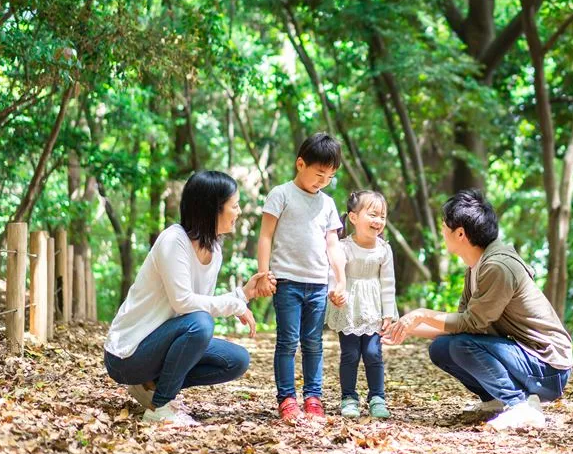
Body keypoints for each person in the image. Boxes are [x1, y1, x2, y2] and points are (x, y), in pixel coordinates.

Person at [384, 189, 573, 431]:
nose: (442, 231)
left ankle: (520, 406)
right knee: (442, 349)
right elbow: (459, 326)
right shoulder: (476, 267)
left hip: (548, 368)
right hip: (526, 359)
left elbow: (470, 324)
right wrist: (403, 329)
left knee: (461, 345)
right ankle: (496, 401)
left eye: (445, 226)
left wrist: (423, 314)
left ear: (460, 233)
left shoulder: (498, 266)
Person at [104, 171, 275, 427]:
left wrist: (244, 294)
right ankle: (160, 406)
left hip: (160, 343)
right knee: (201, 324)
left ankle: (152, 386)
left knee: (237, 360)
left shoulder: (214, 249)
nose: (238, 212)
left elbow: (199, 302)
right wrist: (233, 304)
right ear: (212, 209)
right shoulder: (174, 241)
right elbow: (184, 303)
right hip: (127, 355)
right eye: (235, 205)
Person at [256, 132, 348, 422]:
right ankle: (286, 399)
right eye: (319, 173)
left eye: (330, 176)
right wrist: (263, 272)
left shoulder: (328, 204)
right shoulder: (281, 194)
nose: (323, 181)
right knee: (287, 341)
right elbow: (266, 235)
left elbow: (333, 244)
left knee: (313, 343)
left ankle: (313, 397)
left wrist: (340, 281)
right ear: (300, 164)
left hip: (318, 284)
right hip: (287, 281)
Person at [325, 190, 398, 419]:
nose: (378, 221)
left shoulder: (384, 249)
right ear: (354, 217)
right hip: (349, 309)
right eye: (373, 214)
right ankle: (348, 397)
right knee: (350, 354)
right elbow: (333, 274)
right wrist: (334, 293)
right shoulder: (344, 247)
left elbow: (388, 283)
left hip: (373, 309)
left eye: (382, 216)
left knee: (373, 353)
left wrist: (388, 314)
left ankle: (377, 397)